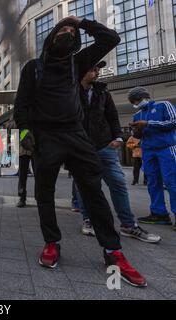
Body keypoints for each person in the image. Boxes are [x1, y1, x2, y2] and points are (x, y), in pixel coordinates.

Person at [14, 16, 147, 287]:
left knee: (94, 193)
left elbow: (111, 39)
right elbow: (22, 105)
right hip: (46, 139)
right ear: (51, 36)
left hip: (77, 136)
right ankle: (52, 243)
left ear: (76, 42)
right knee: (44, 194)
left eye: (71, 32)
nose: (67, 33)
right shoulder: (33, 68)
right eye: (62, 30)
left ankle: (113, 251)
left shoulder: (78, 63)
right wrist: (26, 133)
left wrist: (82, 21)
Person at [75, 63, 160, 243]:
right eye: (93, 68)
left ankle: (128, 225)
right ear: (82, 71)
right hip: (81, 149)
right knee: (85, 187)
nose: (97, 72)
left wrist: (119, 138)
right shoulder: (70, 92)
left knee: (118, 183)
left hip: (105, 147)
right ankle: (88, 220)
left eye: (98, 69)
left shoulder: (103, 93)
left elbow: (112, 117)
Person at [128, 87, 176, 231]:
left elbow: (173, 122)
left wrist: (148, 124)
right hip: (148, 151)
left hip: (166, 148)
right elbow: (136, 136)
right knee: (153, 183)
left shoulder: (163, 105)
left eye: (136, 100)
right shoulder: (137, 115)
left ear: (144, 97)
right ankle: (159, 214)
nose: (136, 104)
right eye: (133, 102)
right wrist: (136, 131)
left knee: (172, 181)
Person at [17, 130, 37, 208]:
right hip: (23, 148)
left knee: (38, 174)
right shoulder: (20, 117)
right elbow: (10, 125)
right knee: (22, 175)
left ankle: (39, 197)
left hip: (35, 146)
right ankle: (22, 198)